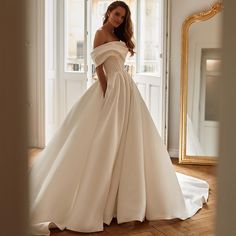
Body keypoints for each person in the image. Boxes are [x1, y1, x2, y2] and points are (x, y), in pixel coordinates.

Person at [30, 1, 209, 235]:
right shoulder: (99, 34)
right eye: (116, 14)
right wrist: (106, 93)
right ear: (108, 13)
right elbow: (99, 68)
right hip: (112, 88)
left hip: (127, 88)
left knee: (130, 139)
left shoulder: (118, 35)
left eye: (122, 17)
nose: (119, 19)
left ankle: (128, 201)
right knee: (106, 138)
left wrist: (117, 87)